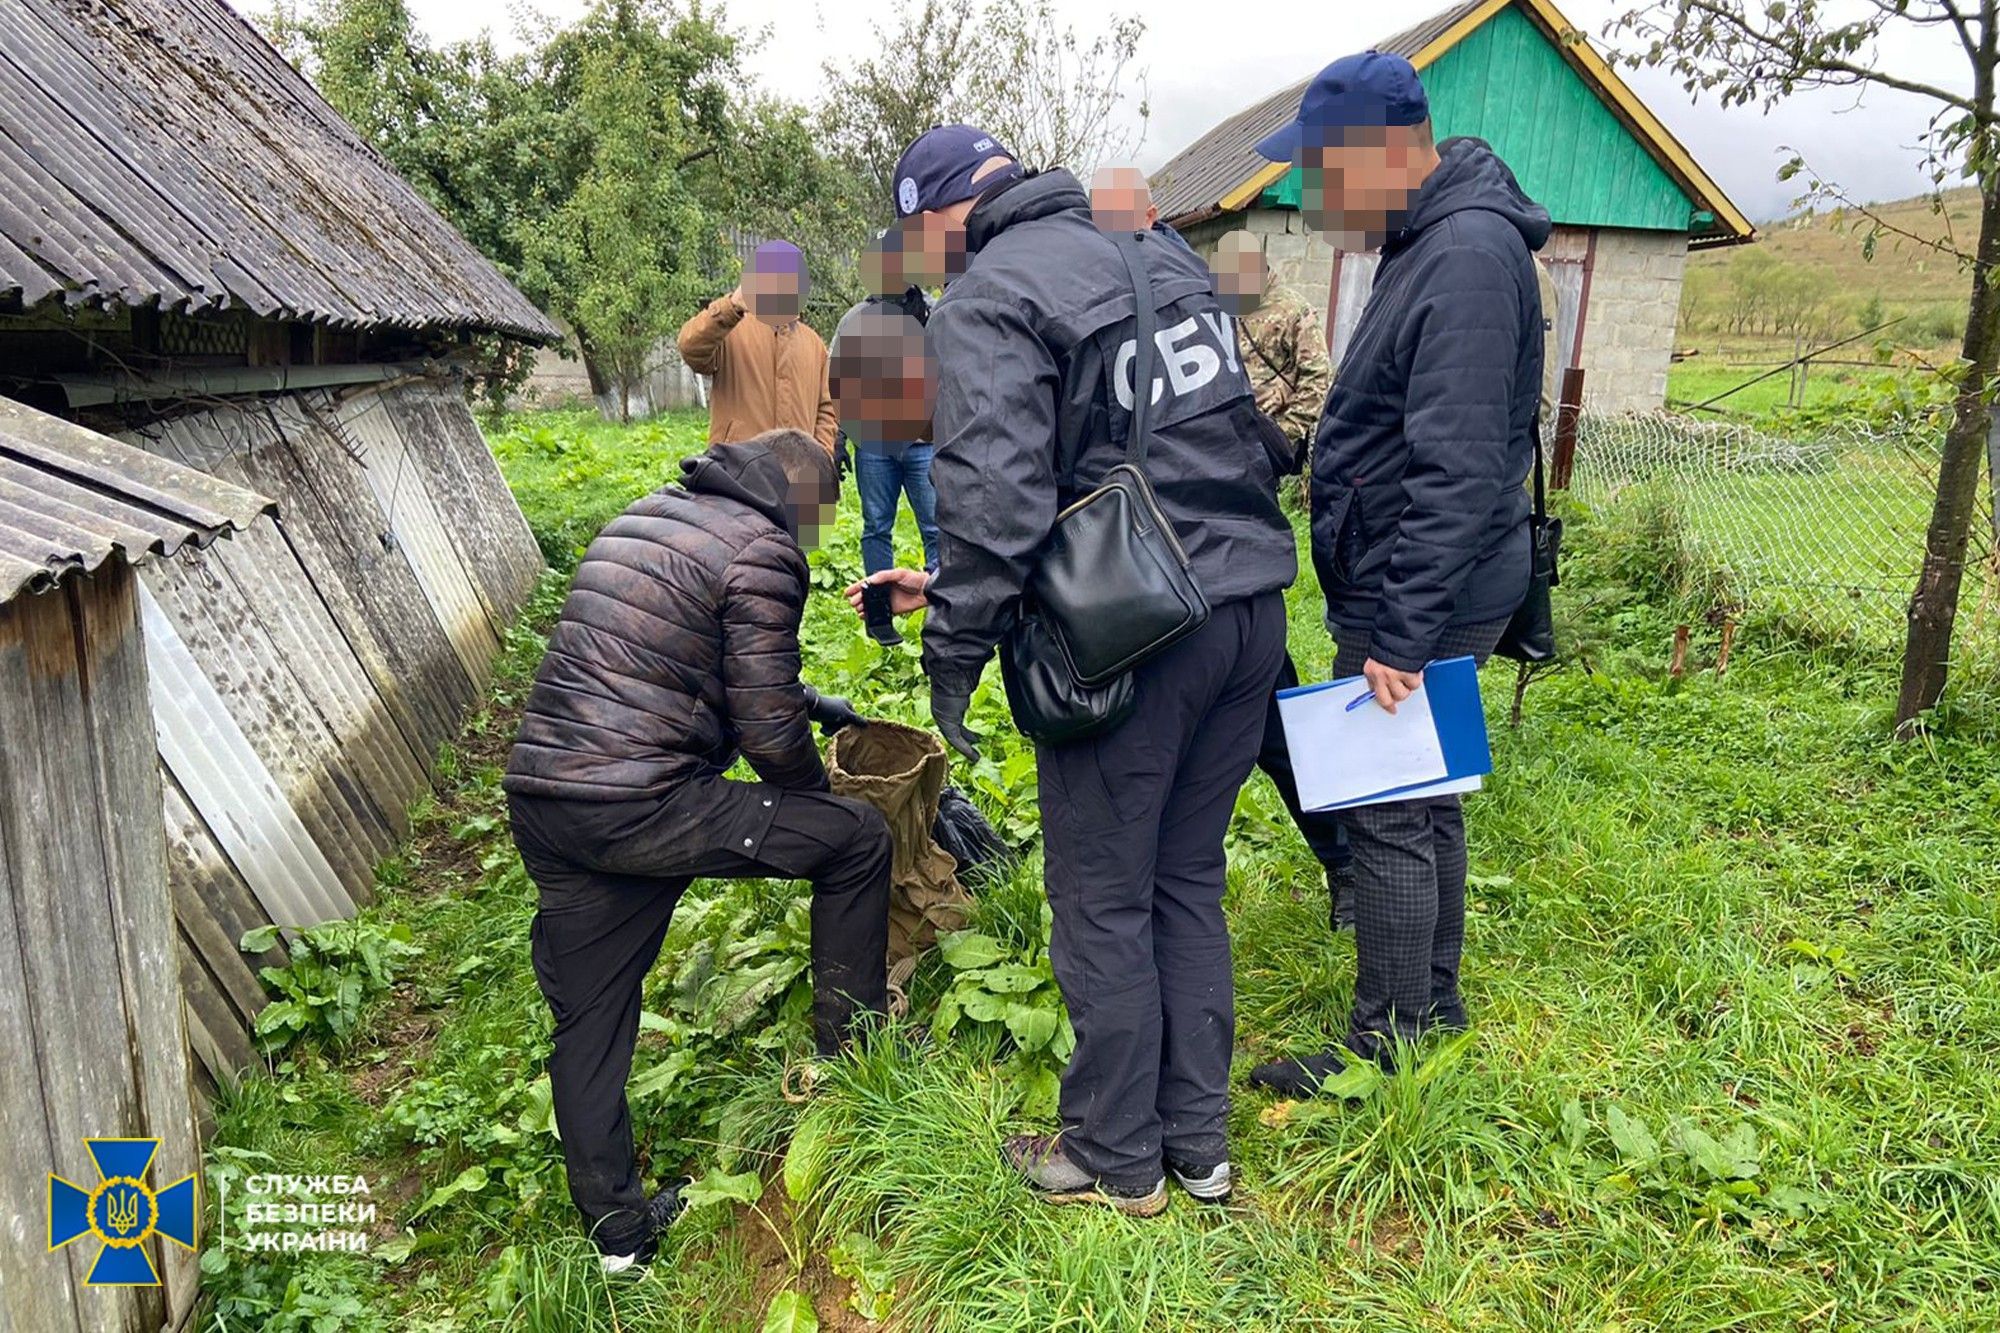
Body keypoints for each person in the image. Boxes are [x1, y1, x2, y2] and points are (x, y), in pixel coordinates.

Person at [859, 124, 1297, 1214]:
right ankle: (1198, 1150)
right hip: (1246, 613)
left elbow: (997, 505)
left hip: (1138, 637)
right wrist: (957, 581)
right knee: (1185, 883)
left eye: (919, 238)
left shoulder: (991, 298)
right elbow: (1177, 443)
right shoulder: (1155, 254)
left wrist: (950, 656)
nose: (923, 261)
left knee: (1101, 900)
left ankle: (1113, 1156)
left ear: (944, 213)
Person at [503, 428, 890, 1271]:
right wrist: (812, 802)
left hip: (549, 798)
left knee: (592, 1015)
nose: (813, 535)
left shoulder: (647, 515)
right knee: (857, 841)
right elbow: (765, 726)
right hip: (642, 800)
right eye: (817, 517)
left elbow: (680, 658)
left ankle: (619, 1241)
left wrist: (824, 703)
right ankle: (853, 1056)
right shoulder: (762, 552)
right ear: (797, 501)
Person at [1243, 53, 1547, 1093]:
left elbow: (1459, 462)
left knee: (1384, 809)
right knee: (1430, 797)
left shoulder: (1460, 253)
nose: (1310, 196)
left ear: (1378, 154)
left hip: (1421, 586)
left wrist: (1399, 633)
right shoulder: (1429, 239)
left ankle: (1388, 1036)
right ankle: (1436, 1003)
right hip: (1420, 575)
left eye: (1320, 173)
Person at [1207, 228, 1355, 928]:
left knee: (1279, 728)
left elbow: (1319, 384)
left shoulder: (1290, 311)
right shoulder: (1203, 317)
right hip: (1165, 559)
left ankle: (1346, 862)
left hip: (1241, 529)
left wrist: (1279, 446)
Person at [833, 232, 941, 644]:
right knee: (876, 525)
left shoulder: (934, 311)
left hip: (923, 444)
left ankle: (941, 607)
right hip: (874, 443)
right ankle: (878, 616)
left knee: (937, 526)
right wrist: (838, 439)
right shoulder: (856, 319)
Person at [677, 240, 839, 456]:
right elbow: (690, 347)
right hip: (736, 472)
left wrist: (820, 457)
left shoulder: (814, 343)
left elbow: (827, 409)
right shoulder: (731, 328)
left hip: (796, 475)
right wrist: (731, 306)